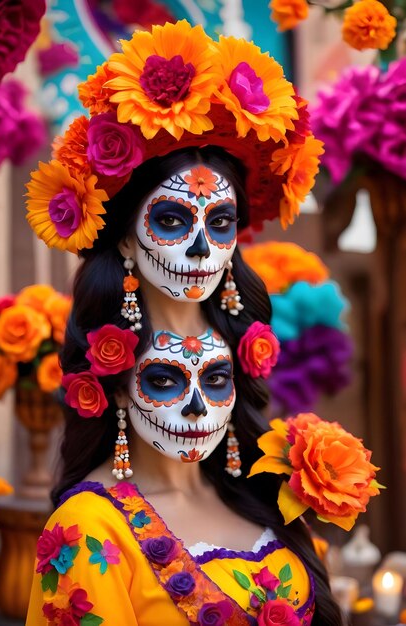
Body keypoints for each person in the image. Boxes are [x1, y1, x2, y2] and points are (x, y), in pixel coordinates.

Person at [25, 20, 344, 626]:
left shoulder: (265, 501)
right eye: (172, 220)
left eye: (220, 223)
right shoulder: (91, 533)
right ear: (116, 382)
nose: (200, 248)